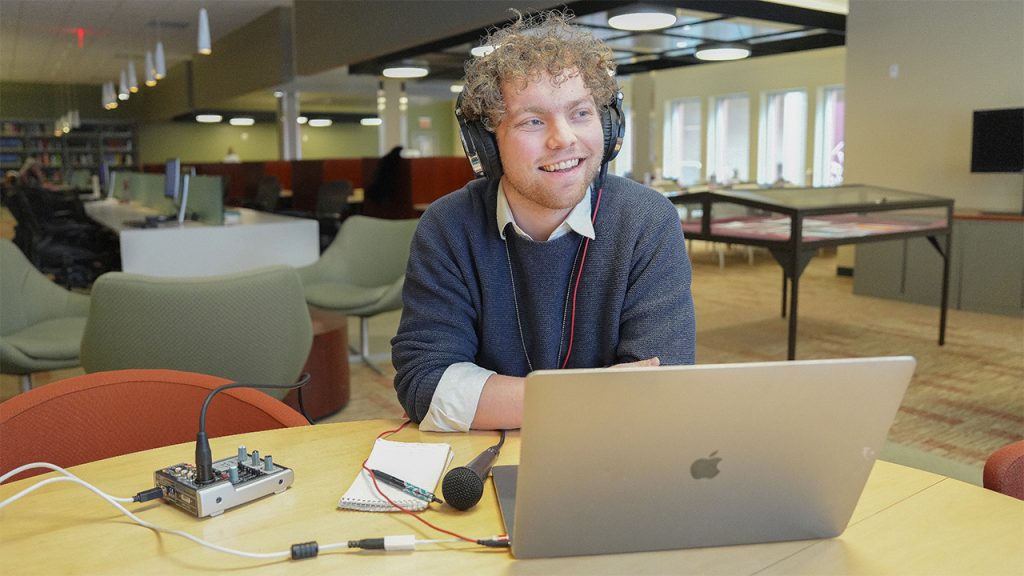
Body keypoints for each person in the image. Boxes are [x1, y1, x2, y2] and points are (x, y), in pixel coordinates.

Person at [391, 10, 696, 432]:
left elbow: (661, 387)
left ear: (608, 128)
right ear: (487, 145)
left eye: (581, 114)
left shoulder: (647, 221)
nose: (564, 139)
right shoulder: (448, 226)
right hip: (482, 457)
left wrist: (497, 397)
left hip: (613, 451)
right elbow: (425, 384)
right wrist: (597, 393)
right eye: (532, 121)